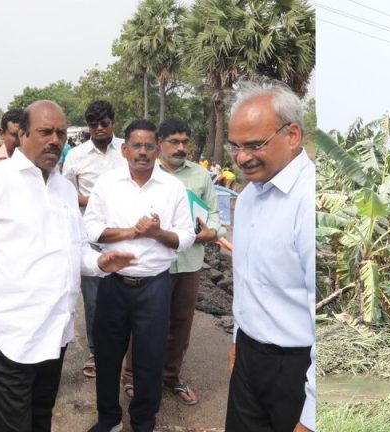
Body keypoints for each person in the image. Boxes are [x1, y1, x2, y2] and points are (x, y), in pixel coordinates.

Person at [0, 100, 135, 432]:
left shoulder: (62, 187)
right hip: (7, 341)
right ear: (22, 133)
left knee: (40, 418)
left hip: (53, 337)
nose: (55, 140)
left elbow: (74, 251)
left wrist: (101, 262)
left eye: (60, 132)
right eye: (46, 131)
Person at [83, 119, 195, 432]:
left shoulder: (173, 188)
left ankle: (143, 421)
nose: (142, 152)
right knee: (107, 356)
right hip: (113, 283)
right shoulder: (107, 184)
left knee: (149, 359)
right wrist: (131, 232)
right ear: (125, 149)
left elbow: (185, 237)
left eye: (149, 146)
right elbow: (90, 228)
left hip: (155, 286)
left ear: (158, 150)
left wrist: (158, 232)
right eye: (137, 146)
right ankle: (109, 419)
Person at [224, 79, 316, 432]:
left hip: (294, 369)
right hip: (249, 358)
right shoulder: (248, 197)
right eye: (235, 146)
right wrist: (237, 343)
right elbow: (246, 283)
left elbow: (317, 310)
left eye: (254, 145)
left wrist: (310, 415)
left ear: (292, 135)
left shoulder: (308, 204)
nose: (242, 157)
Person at [120, 118, 224, 404]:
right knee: (143, 322)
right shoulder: (145, 174)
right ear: (159, 145)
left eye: (185, 142)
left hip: (188, 261)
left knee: (180, 323)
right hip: (153, 263)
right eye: (174, 142)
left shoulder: (200, 177)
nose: (181, 148)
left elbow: (215, 214)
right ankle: (132, 376)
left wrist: (211, 231)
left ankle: (171, 376)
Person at [63, 100, 126, 378]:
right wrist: (96, 201)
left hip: (125, 234)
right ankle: (95, 351)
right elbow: (65, 194)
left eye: (104, 123)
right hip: (89, 237)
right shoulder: (76, 156)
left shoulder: (127, 149)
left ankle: (125, 354)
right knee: (93, 300)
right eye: (93, 125)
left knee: (126, 296)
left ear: (113, 122)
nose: (99, 129)